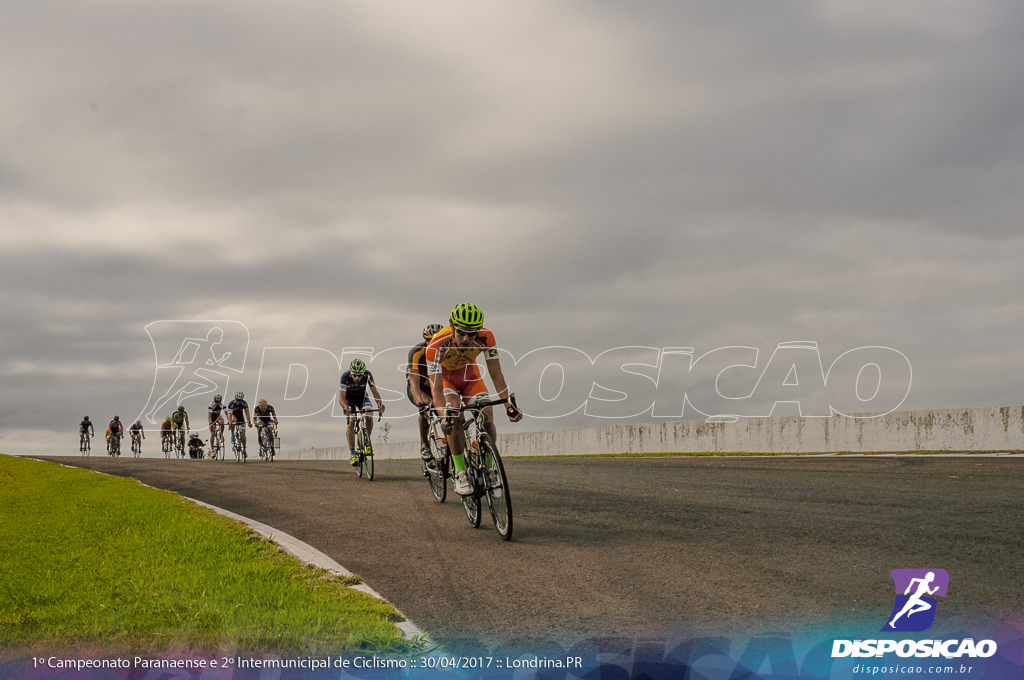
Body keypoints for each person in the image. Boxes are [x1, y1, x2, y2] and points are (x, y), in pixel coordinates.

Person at [426, 303, 522, 495]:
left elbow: (496, 375)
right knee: (455, 416)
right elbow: (436, 392)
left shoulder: (487, 337)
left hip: (471, 377)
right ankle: (461, 472)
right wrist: (445, 417)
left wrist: (507, 405)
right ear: (452, 326)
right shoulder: (435, 346)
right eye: (461, 332)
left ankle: (490, 469)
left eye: (471, 334)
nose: (466, 338)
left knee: (487, 414)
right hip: (447, 381)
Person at [407, 323, 444, 460]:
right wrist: (420, 403)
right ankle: (425, 445)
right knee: (427, 405)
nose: (436, 346)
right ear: (425, 341)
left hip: (437, 386)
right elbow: (414, 384)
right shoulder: (416, 352)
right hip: (420, 388)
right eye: (432, 342)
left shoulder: (445, 350)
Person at [339, 358, 385, 466]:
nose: (357, 378)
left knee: (369, 415)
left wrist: (379, 404)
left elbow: (374, 392)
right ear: (351, 373)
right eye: (354, 375)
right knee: (351, 421)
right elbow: (341, 398)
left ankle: (367, 440)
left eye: (359, 375)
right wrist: (346, 407)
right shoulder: (345, 377)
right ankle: (352, 453)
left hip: (362, 398)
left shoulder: (368, 375)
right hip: (349, 400)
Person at [226, 391, 252, 457]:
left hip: (241, 417)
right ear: (235, 399)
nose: (238, 402)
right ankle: (232, 434)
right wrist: (229, 423)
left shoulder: (244, 403)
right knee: (233, 420)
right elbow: (229, 414)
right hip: (233, 416)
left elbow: (247, 413)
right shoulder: (231, 403)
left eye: (240, 400)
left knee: (243, 434)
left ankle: (244, 449)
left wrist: (249, 421)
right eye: (237, 400)